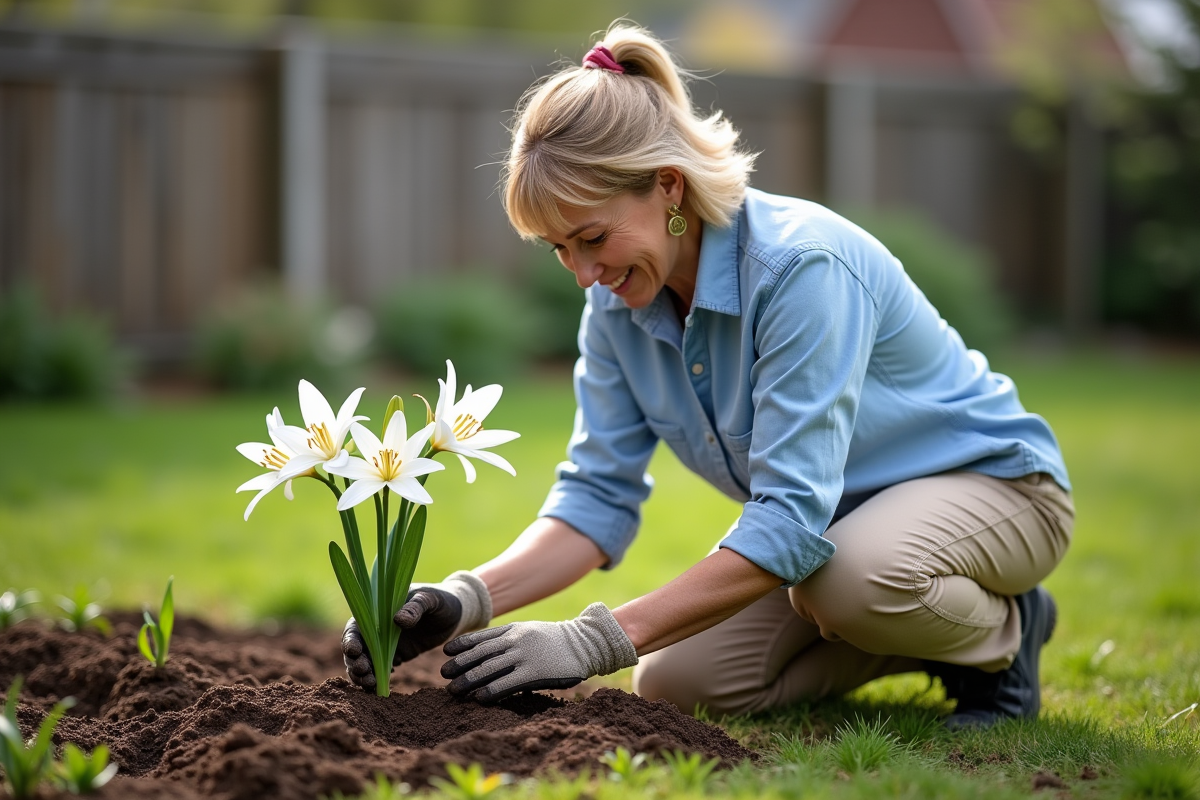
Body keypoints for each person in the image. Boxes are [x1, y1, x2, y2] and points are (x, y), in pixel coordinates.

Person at [341, 22, 1074, 729]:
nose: (583, 275)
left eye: (593, 237)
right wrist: (462, 598)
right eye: (558, 248)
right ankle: (912, 633)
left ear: (667, 186)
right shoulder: (614, 308)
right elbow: (595, 498)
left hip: (995, 491)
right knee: (679, 682)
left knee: (855, 579)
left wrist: (590, 640)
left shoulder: (798, 269)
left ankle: (1003, 638)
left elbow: (788, 517)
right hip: (837, 535)